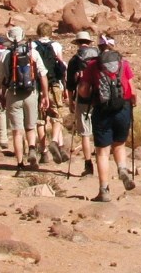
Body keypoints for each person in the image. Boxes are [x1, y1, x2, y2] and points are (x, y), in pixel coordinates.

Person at [82, 36, 136, 202]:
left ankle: (104, 190)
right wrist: (132, 104)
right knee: (119, 144)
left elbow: (83, 91)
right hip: (123, 108)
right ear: (113, 46)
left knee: (102, 152)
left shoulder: (92, 65)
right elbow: (132, 91)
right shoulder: (123, 64)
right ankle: (122, 168)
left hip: (102, 109)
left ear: (99, 46)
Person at [3, 26, 49, 169]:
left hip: (13, 94)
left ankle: (20, 163)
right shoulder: (32, 52)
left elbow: (0, 78)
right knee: (30, 127)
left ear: (9, 38)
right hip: (31, 93)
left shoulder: (5, 55)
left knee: (17, 131)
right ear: (23, 36)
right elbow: (42, 75)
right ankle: (32, 149)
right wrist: (45, 95)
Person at [63, 30, 100, 177]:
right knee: (99, 131)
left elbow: (70, 85)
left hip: (83, 99)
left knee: (85, 134)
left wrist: (71, 102)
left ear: (77, 43)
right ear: (89, 43)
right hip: (99, 99)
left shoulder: (74, 60)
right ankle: (102, 160)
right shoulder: (99, 56)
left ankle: (88, 164)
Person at [34, 25, 70, 163]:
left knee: (41, 120)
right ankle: (55, 142)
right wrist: (65, 87)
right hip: (54, 84)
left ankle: (44, 152)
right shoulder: (56, 45)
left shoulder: (32, 45)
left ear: (38, 32)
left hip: (38, 86)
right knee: (57, 116)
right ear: (50, 33)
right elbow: (61, 66)